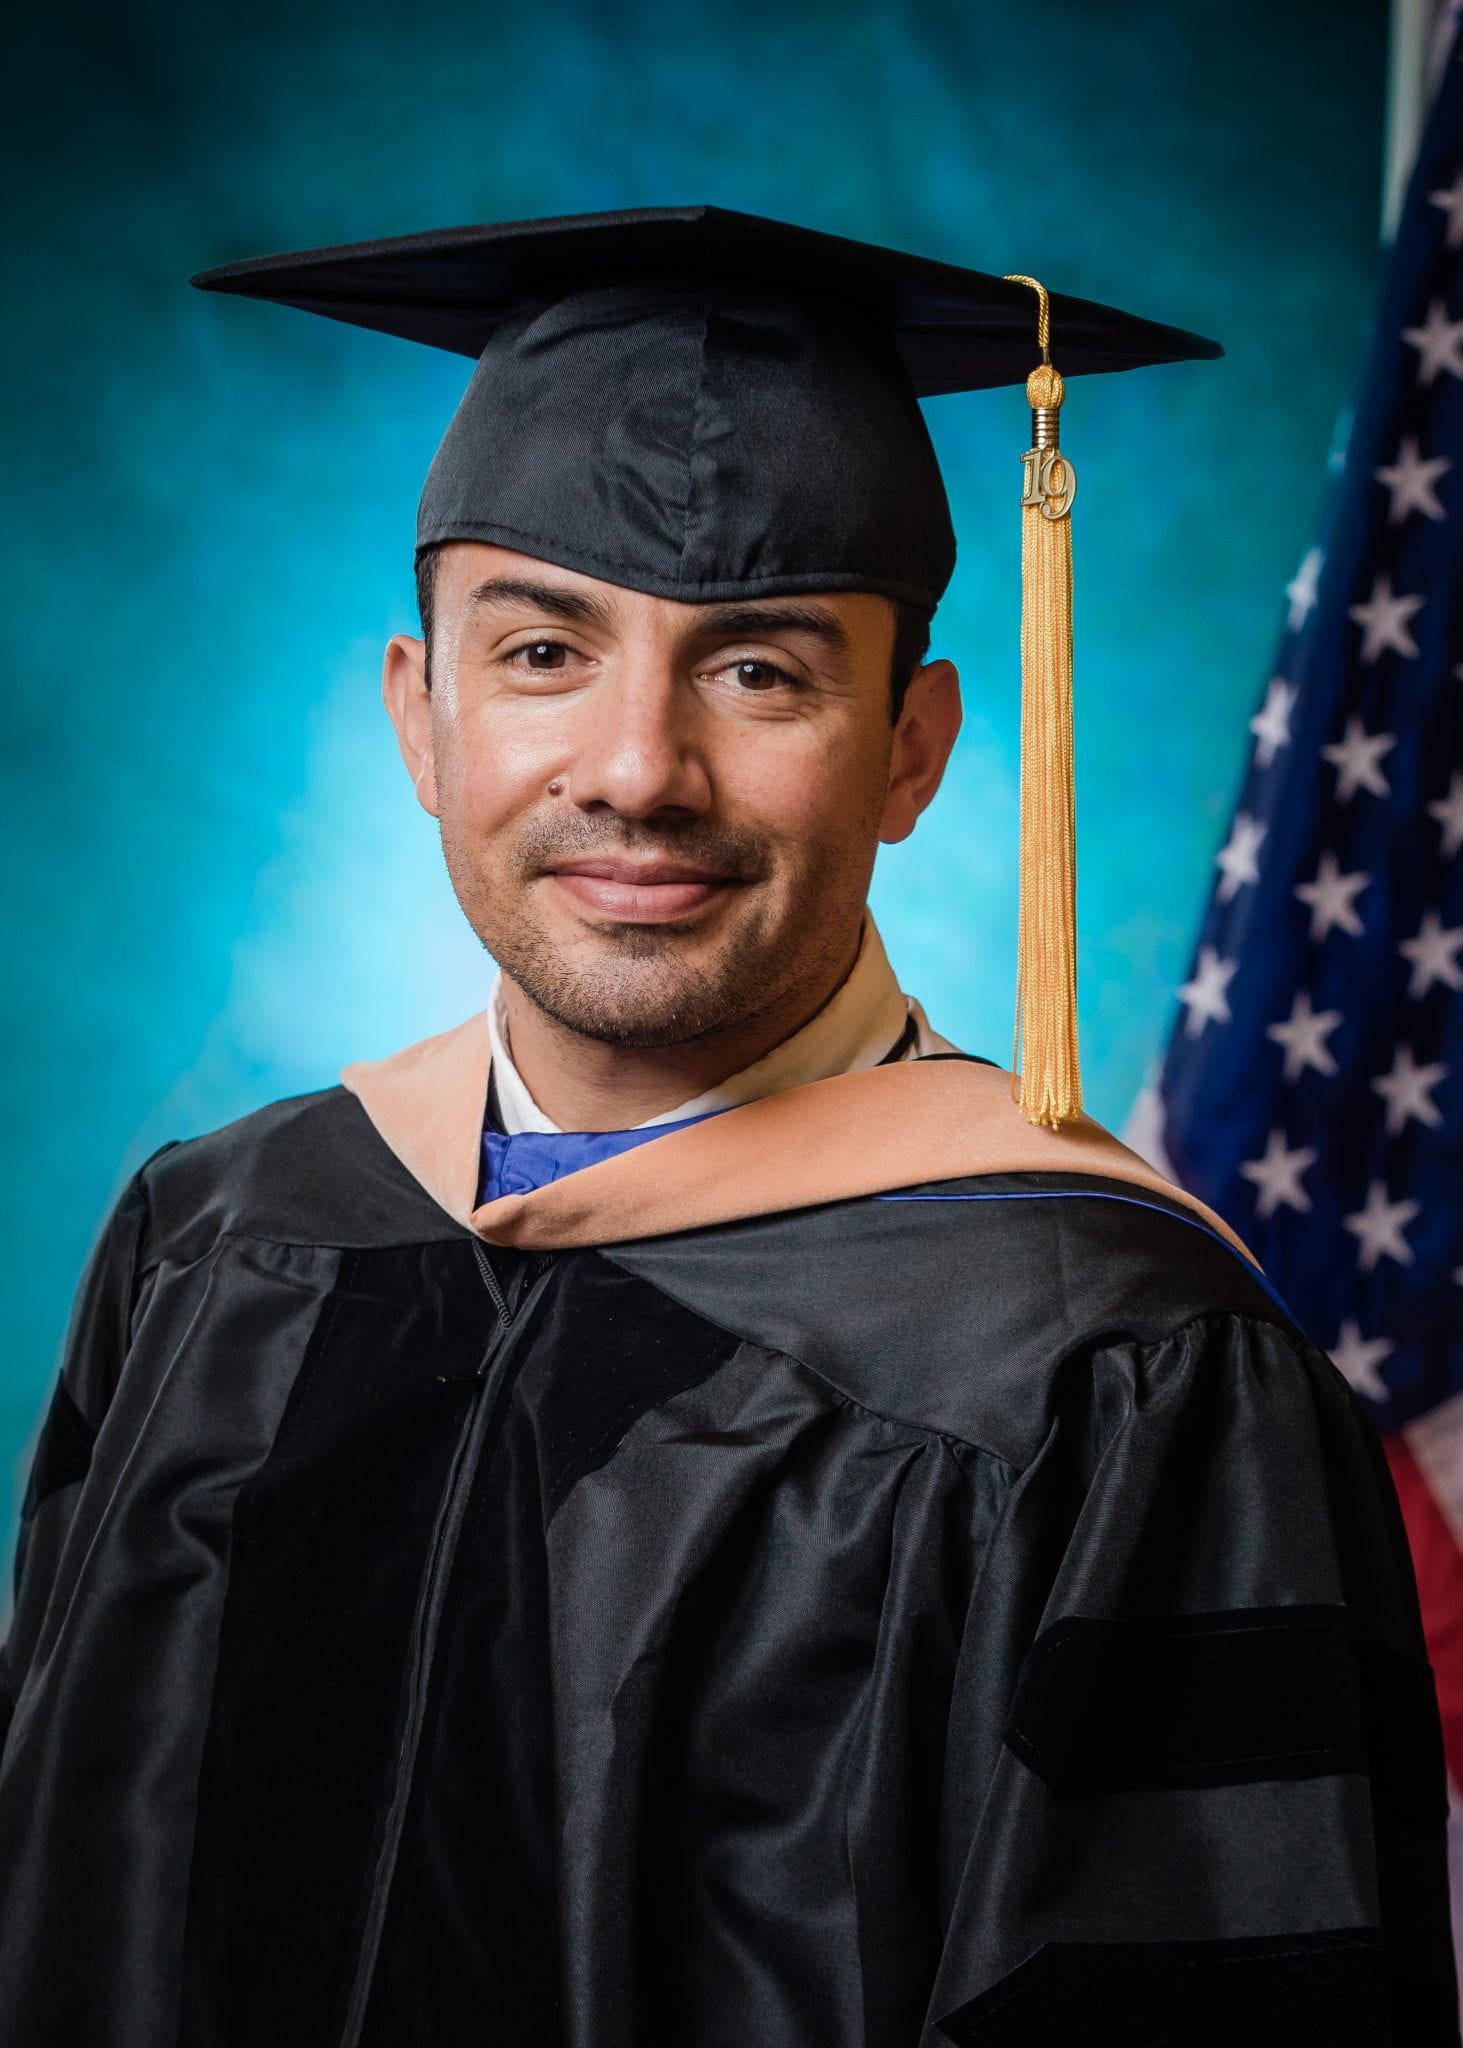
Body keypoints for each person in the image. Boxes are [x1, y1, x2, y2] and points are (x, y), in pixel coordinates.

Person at [0, 205, 1455, 2047]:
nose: (637, 769)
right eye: (544, 652)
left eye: (760, 670)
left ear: (913, 750)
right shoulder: (217, 1243)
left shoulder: (1115, 1374)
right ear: (420, 719)